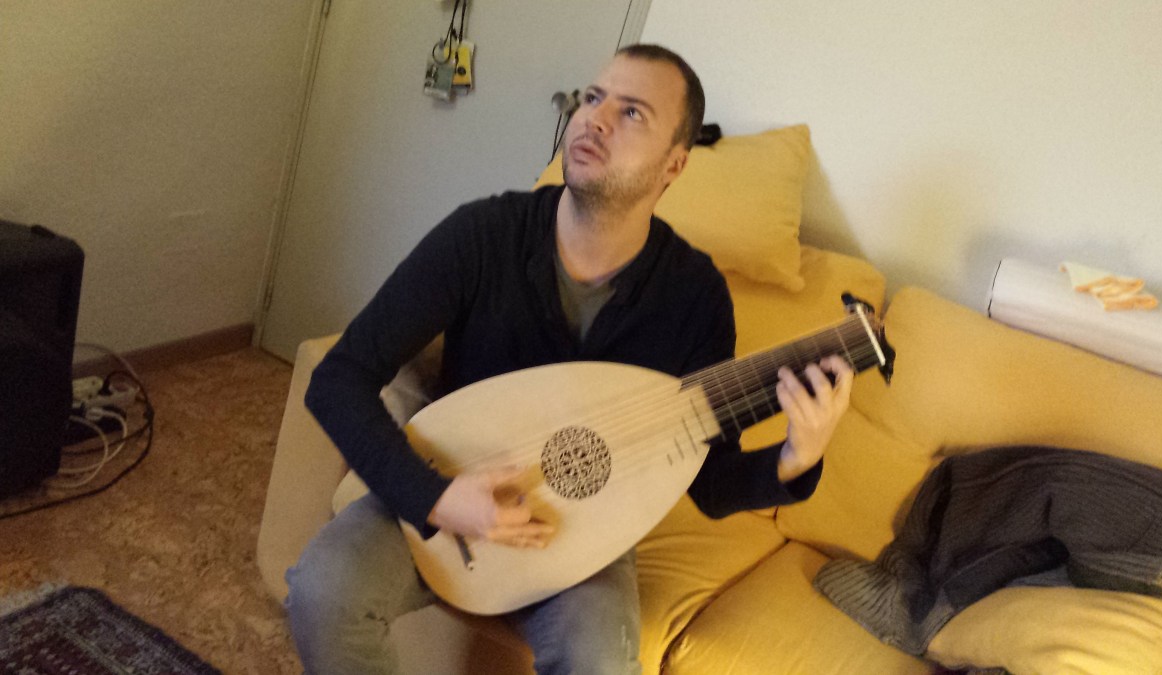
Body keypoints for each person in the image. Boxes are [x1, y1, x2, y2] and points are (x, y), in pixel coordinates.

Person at [286, 44, 853, 675]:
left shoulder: (695, 298)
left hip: (588, 532)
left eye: (631, 112)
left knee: (600, 660)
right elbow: (339, 378)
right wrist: (437, 498)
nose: (594, 119)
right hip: (452, 480)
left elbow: (710, 482)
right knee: (322, 591)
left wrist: (796, 457)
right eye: (593, 97)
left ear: (674, 164)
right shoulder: (484, 235)